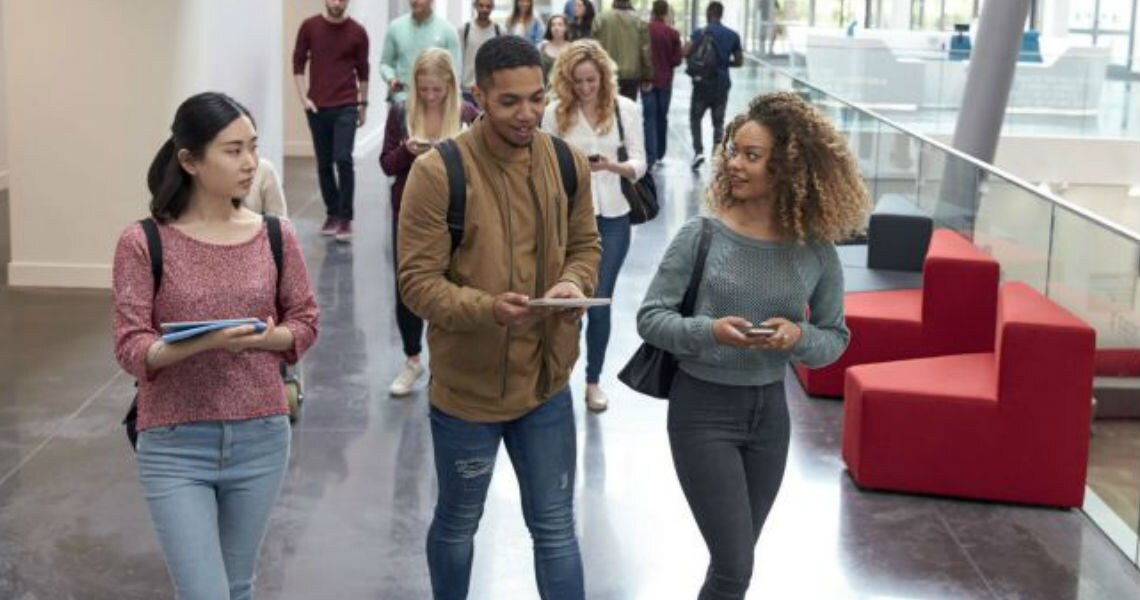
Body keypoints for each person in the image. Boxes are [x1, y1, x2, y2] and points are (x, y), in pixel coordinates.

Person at [636, 91, 869, 599]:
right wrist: (710, 331)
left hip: (769, 414)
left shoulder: (816, 251)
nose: (734, 164)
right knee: (735, 565)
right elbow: (651, 318)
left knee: (732, 566)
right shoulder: (702, 235)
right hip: (702, 410)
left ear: (786, 167)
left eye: (751, 155)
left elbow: (834, 337)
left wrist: (797, 336)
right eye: (733, 152)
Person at [398, 35, 599, 599]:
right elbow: (417, 283)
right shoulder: (439, 173)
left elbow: (586, 246)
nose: (527, 114)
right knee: (458, 525)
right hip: (467, 393)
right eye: (510, 101)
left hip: (547, 384)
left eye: (536, 99)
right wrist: (488, 310)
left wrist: (571, 282)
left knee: (556, 529)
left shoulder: (566, 162)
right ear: (479, 95)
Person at [113, 92, 320, 599]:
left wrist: (268, 340)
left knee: (237, 586)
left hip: (262, 434)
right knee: (205, 593)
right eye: (232, 151)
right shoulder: (143, 242)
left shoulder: (276, 234)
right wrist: (199, 345)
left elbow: (306, 320)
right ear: (189, 160)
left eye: (253, 147)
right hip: (175, 441)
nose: (250, 163)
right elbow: (131, 346)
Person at [542, 39, 645, 413]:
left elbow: (640, 163)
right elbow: (544, 165)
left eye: (592, 80)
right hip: (568, 217)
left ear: (603, 76)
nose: (585, 88)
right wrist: (575, 169)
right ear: (567, 80)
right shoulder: (554, 113)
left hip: (615, 215)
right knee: (569, 301)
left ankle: (592, 381)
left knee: (598, 302)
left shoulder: (626, 109)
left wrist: (611, 166)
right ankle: (558, 378)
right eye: (578, 81)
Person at [380, 49, 480, 397]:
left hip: (456, 211)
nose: (429, 96)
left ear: (450, 86)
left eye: (436, 90)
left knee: (454, 283)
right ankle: (412, 359)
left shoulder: (467, 114)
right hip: (409, 211)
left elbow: (483, 165)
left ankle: (446, 362)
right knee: (408, 286)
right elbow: (387, 165)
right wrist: (408, 150)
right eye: (423, 89)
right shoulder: (400, 112)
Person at [292, 0, 370, 242]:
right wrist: (304, 98)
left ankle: (346, 218)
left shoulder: (358, 32)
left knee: (343, 159)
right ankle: (332, 213)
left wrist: (363, 105)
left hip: (347, 104)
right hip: (317, 107)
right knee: (324, 163)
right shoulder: (309, 27)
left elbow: (364, 72)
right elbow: (298, 63)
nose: (336, 2)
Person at [686, 1, 742, 171]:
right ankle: (716, 156)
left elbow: (685, 52)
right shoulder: (732, 35)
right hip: (721, 84)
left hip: (702, 84)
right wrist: (723, 64)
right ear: (721, 14)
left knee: (695, 118)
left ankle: (698, 152)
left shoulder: (699, 33)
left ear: (708, 13)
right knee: (718, 122)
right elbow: (739, 62)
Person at [380, 0, 462, 104]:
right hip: (403, 99)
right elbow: (385, 64)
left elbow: (455, 70)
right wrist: (391, 78)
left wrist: (455, 100)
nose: (415, 1)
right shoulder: (395, 28)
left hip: (436, 102)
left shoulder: (447, 30)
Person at [644, 0, 682, 168]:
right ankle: (660, 152)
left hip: (647, 80)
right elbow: (677, 59)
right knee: (662, 117)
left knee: (649, 118)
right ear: (666, 13)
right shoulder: (672, 33)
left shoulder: (644, 30)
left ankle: (650, 156)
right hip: (665, 80)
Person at [591, 0, 653, 101]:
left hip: (606, 72)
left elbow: (593, 47)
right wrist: (647, 76)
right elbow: (645, 51)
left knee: (606, 110)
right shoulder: (639, 21)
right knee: (627, 111)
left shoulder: (600, 19)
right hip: (631, 74)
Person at [458, 0, 501, 106]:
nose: (484, 9)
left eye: (488, 6)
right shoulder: (464, 30)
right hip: (467, 90)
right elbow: (458, 59)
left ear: (492, 8)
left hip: (490, 89)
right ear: (475, 6)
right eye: (481, 6)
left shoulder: (499, 31)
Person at [538, 14, 571, 83]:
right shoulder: (542, 48)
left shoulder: (572, 48)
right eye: (553, 25)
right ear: (550, 29)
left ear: (565, 28)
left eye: (560, 25)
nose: (556, 28)